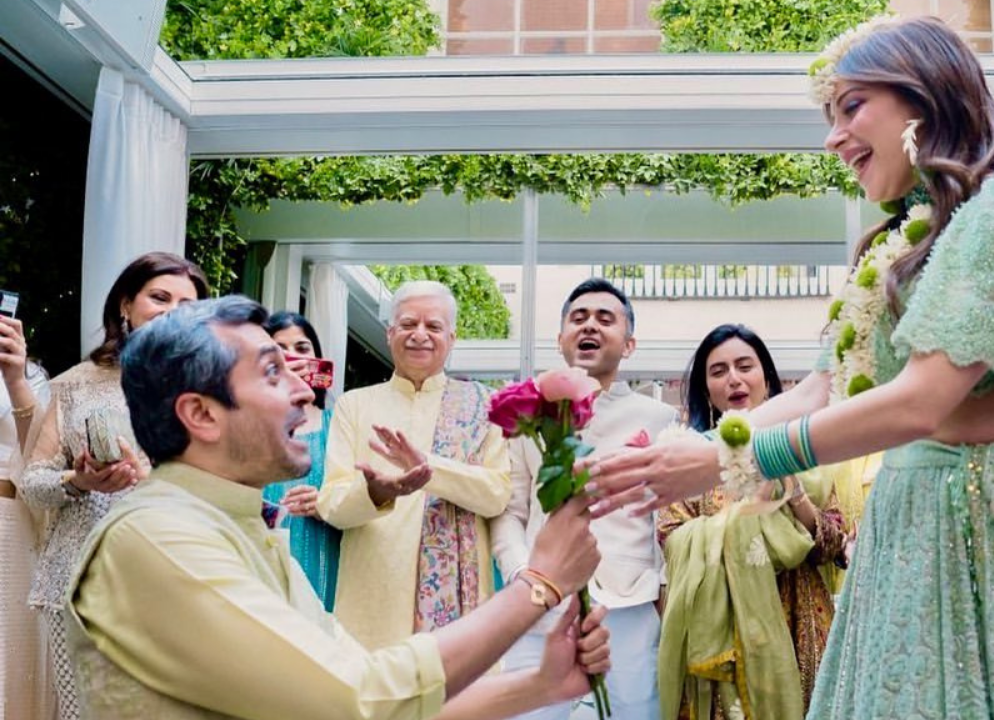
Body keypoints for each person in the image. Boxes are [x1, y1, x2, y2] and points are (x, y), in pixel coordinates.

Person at [585, 15, 994, 719]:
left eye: (852, 107)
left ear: (925, 94)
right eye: (830, 117)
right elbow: (822, 387)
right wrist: (703, 447)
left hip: (984, 516)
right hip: (906, 516)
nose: (833, 137)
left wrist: (731, 465)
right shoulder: (898, 242)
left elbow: (921, 401)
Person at [64, 295, 611, 720]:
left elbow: (368, 691)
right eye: (274, 372)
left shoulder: (236, 526)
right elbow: (358, 701)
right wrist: (537, 584)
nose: (305, 392)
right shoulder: (159, 538)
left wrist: (541, 685)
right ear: (201, 415)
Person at [19, 251, 208, 720]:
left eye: (186, 305)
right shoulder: (75, 385)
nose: (171, 312)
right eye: (159, 297)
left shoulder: (212, 392)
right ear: (126, 304)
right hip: (80, 578)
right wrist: (77, 481)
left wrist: (154, 480)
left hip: (174, 575)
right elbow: (33, 482)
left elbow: (226, 488)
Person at [492, 278, 677, 720]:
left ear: (628, 344)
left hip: (629, 608)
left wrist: (662, 595)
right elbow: (509, 512)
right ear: (560, 340)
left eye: (604, 318)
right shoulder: (526, 416)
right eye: (579, 318)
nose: (590, 325)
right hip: (539, 604)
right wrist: (525, 576)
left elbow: (669, 519)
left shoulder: (660, 417)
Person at [658, 323, 845, 719]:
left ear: (767, 378)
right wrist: (744, 522)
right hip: (724, 638)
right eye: (719, 371)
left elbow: (834, 544)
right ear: (706, 389)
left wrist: (791, 492)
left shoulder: (801, 451)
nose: (734, 379)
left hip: (798, 626)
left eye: (745, 365)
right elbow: (672, 539)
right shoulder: (692, 462)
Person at [318, 280, 511, 650]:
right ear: (390, 333)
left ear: (451, 338)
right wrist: (373, 493)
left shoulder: (486, 407)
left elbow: (497, 495)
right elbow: (331, 504)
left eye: (433, 326)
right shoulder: (354, 406)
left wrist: (429, 469)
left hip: (460, 614)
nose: (419, 335)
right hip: (372, 606)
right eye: (407, 324)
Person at [261, 311, 342, 610]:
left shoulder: (340, 426)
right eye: (279, 349)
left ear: (318, 358)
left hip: (323, 559)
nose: (292, 357)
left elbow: (363, 496)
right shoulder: (246, 426)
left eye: (302, 348)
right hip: (259, 560)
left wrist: (327, 502)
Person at [1, 313, 51, 720]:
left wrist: (16, 378)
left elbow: (42, 458)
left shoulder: (30, 377)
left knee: (9, 654)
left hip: (7, 525)